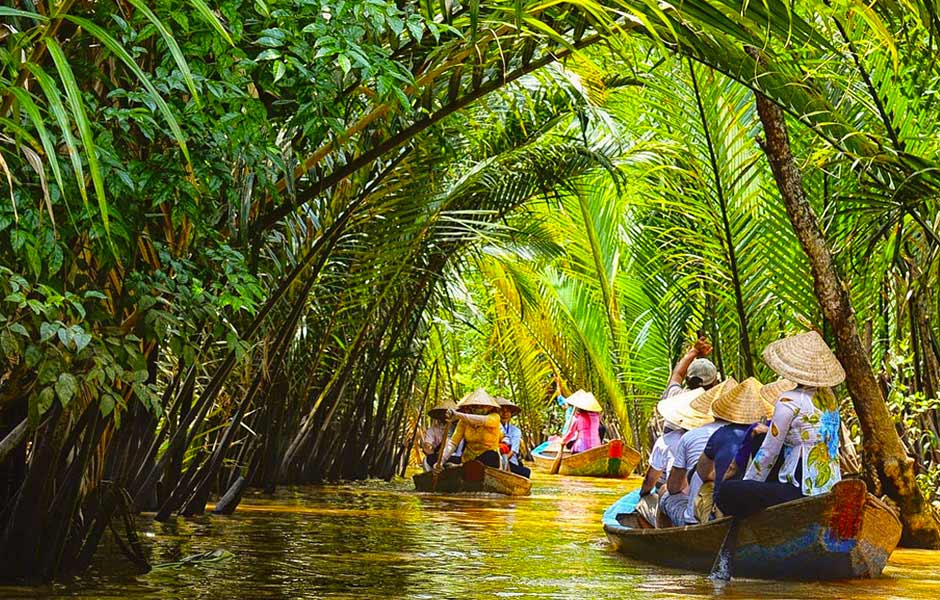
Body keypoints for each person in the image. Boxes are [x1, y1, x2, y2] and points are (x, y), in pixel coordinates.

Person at [717, 331, 846, 517]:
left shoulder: (789, 400)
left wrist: (749, 485)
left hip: (801, 490)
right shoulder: (829, 399)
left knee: (727, 491)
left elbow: (769, 451)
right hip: (829, 485)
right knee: (759, 437)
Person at [693, 377, 794, 522]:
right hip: (781, 490)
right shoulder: (785, 430)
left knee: (724, 491)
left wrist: (720, 487)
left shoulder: (755, 431)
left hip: (757, 495)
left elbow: (717, 472)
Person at [661, 378, 736, 527]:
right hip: (735, 514)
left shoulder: (691, 436)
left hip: (696, 518)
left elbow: (674, 487)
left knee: (665, 494)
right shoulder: (752, 434)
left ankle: (662, 541)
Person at [635, 388, 697, 526]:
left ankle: (659, 532)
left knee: (650, 499)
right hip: (704, 501)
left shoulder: (667, 440)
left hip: (683, 503)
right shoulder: (713, 436)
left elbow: (649, 481)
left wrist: (642, 495)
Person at [436, 388, 502, 470]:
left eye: (482, 406)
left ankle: (462, 467)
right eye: (475, 406)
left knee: (491, 455)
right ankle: (463, 466)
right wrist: (441, 461)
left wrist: (458, 415)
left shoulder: (495, 417)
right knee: (433, 458)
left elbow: (481, 420)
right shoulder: (463, 422)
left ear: (490, 407)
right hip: (467, 459)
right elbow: (453, 443)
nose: (478, 408)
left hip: (488, 460)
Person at [661, 335, 718, 402]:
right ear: (714, 383)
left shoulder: (674, 396)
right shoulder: (719, 407)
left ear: (687, 379)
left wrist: (695, 350)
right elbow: (678, 374)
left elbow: (678, 374)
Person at [496, 397, 531, 478]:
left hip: (509, 461)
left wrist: (503, 461)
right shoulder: (491, 427)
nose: (504, 414)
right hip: (494, 459)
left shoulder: (516, 431)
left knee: (526, 472)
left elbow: (513, 451)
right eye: (502, 411)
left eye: (507, 411)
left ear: (511, 414)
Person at [421, 398, 458, 471]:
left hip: (455, 458)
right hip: (438, 457)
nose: (446, 415)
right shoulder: (432, 430)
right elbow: (427, 447)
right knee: (428, 459)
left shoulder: (460, 428)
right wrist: (438, 456)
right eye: (444, 413)